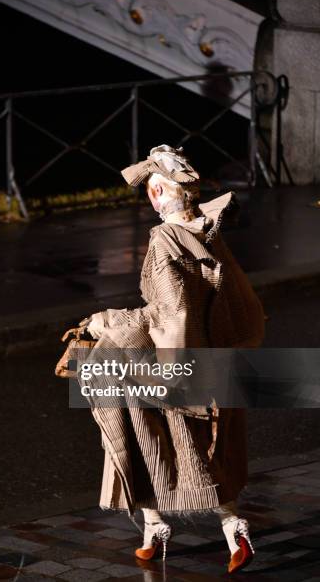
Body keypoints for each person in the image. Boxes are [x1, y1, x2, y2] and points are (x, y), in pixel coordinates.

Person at [78, 144, 265, 574]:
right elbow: (232, 298)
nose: (150, 196)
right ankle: (220, 526)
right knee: (197, 446)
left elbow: (169, 312)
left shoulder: (164, 240)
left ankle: (165, 524)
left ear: (160, 192)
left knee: (142, 430)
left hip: (179, 357)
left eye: (153, 188)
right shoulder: (209, 229)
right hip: (213, 353)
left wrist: (107, 321)